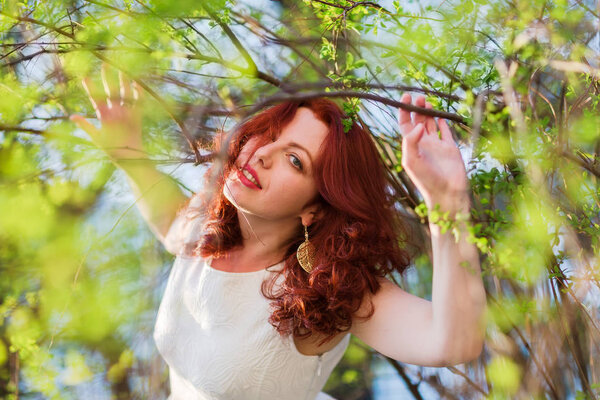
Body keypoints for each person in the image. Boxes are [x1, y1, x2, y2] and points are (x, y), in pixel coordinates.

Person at [71, 64, 486, 400]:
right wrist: (130, 156)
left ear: (314, 208)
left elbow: (452, 343)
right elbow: (169, 224)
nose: (264, 153)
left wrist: (446, 204)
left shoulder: (325, 293)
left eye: (295, 160)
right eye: (269, 135)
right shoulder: (206, 230)